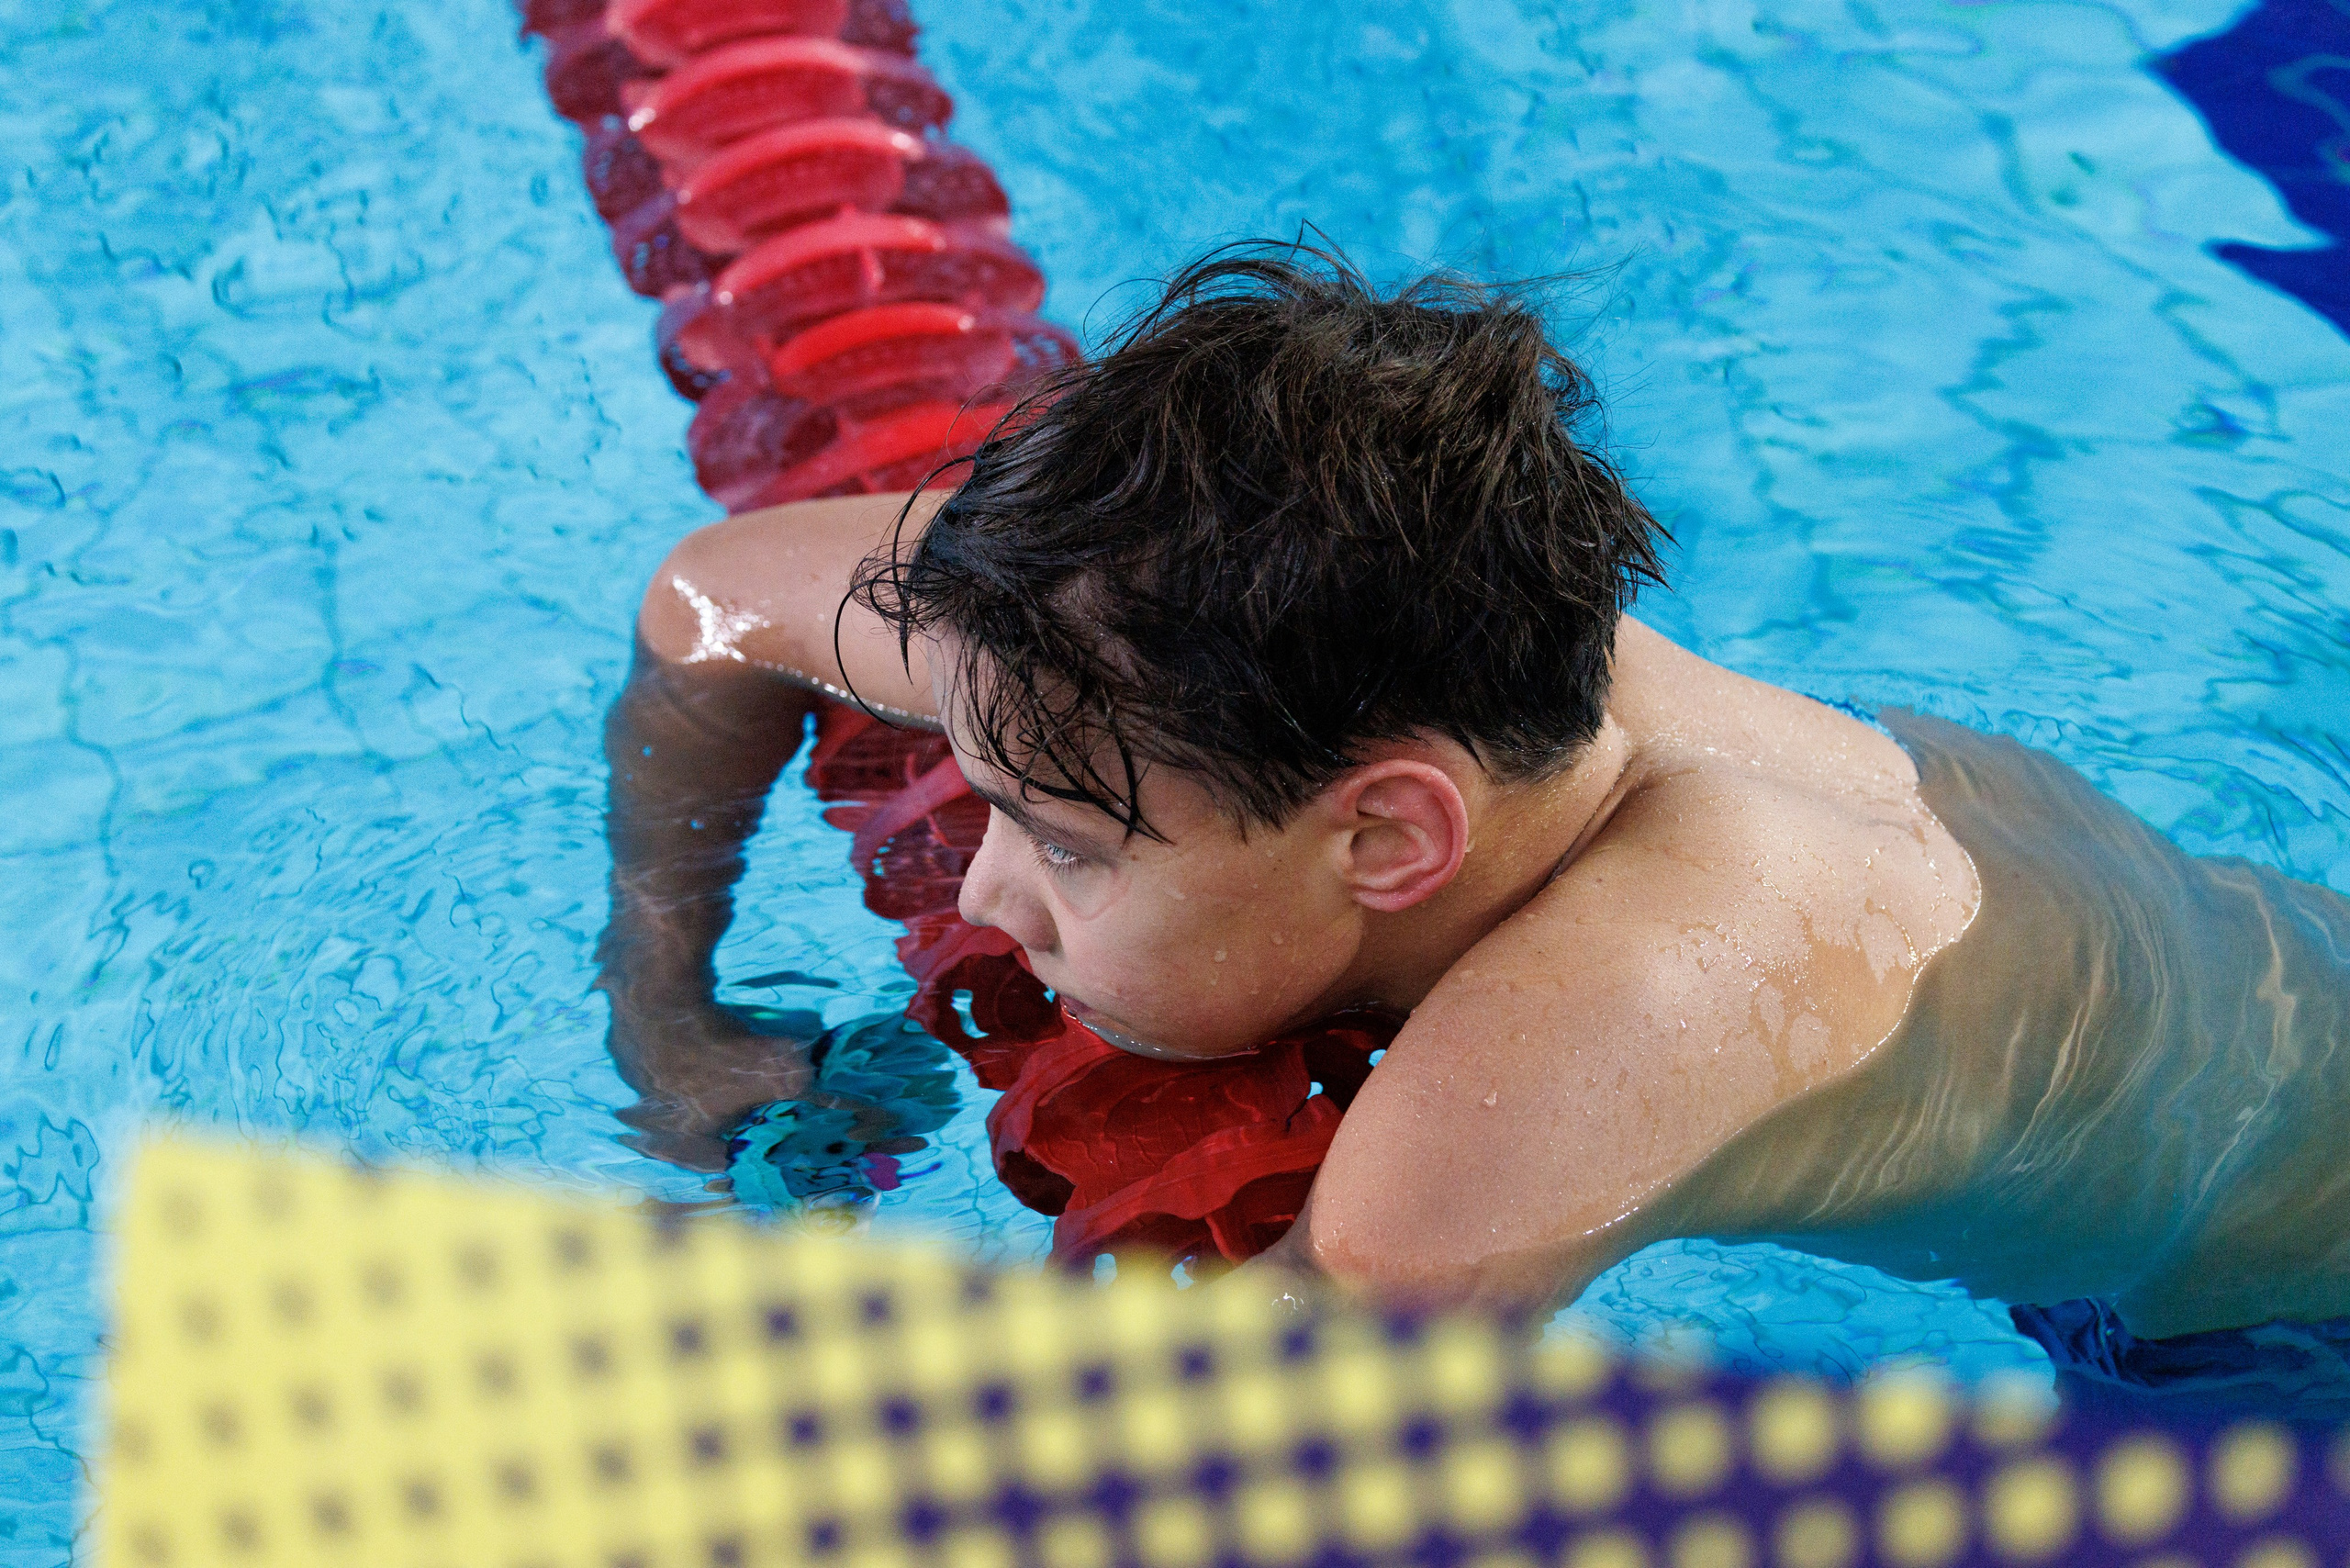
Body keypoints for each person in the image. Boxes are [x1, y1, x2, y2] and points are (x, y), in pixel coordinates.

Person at [599, 243, 2350, 1383]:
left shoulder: (1612, 1024)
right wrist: (665, 1002)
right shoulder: (1206, 637)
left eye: (1064, 845)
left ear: (1389, 843)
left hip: (2269, 1297)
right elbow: (715, 611)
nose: (982, 894)